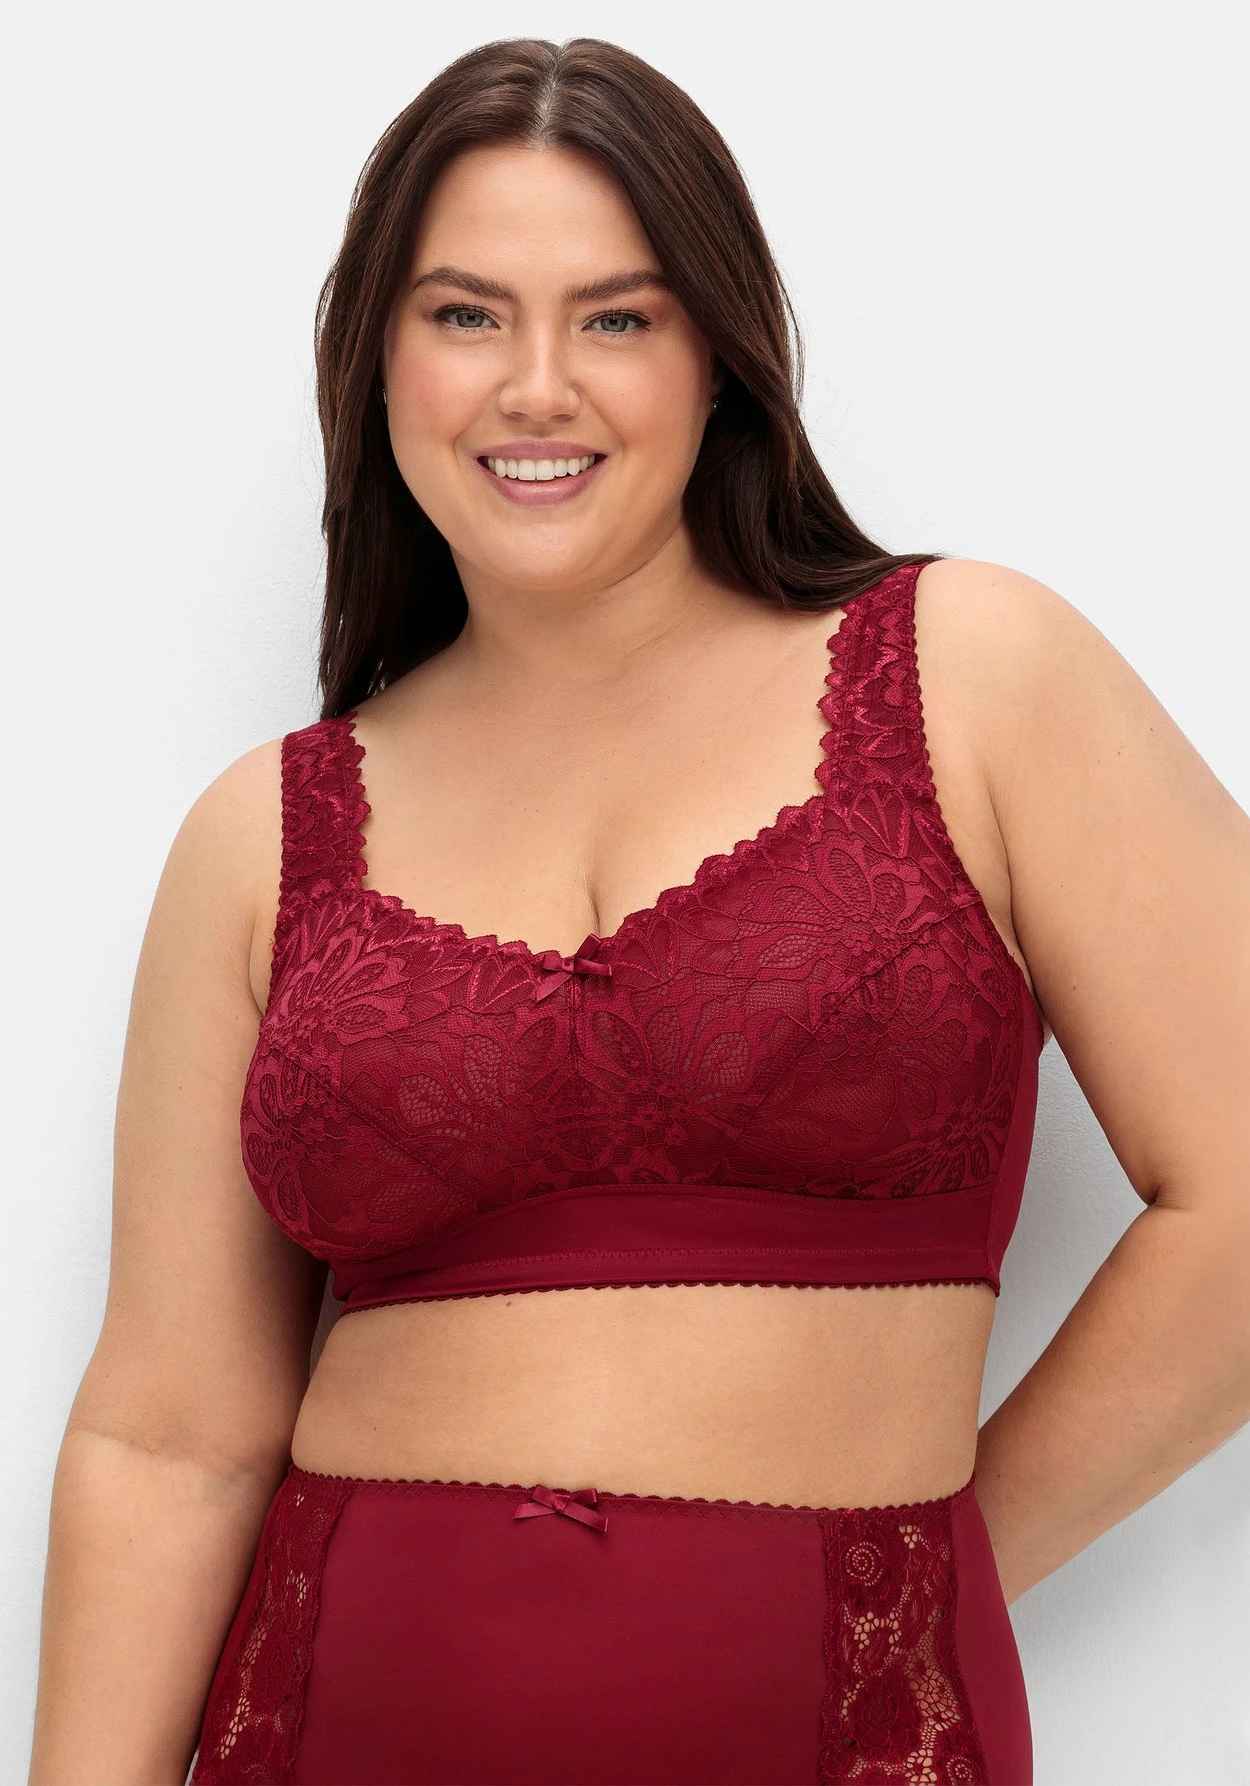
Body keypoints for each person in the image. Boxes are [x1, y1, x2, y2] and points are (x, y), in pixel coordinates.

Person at [29, 35, 1250, 1786]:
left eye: (616, 317)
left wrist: (929, 1580)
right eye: (465, 314)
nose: (536, 385)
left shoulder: (970, 678)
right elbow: (169, 1439)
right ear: (375, 361)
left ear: (718, 359)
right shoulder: (264, 836)